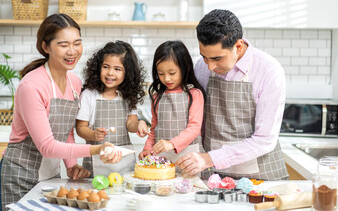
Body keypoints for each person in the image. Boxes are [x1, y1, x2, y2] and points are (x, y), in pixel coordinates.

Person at [0, 14, 122, 210]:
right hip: (19, 175)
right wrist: (96, 149)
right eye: (63, 45)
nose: (72, 51)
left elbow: (66, 132)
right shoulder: (31, 86)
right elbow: (47, 147)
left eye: (77, 43)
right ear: (46, 47)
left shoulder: (75, 83)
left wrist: (71, 166)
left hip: (50, 176)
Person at [176, 9, 289, 181]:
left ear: (238, 46)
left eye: (217, 59)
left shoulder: (269, 71)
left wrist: (210, 159)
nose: (210, 67)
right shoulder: (201, 67)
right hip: (213, 175)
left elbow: (265, 140)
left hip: (258, 177)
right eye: (205, 57)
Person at [76, 41, 148, 177]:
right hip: (96, 161)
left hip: (124, 162)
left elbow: (130, 124)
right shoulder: (89, 95)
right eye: (106, 67)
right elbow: (80, 128)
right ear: (98, 67)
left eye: (117, 69)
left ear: (127, 73)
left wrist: (139, 123)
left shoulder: (128, 96)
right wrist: (92, 135)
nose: (110, 73)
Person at [139, 41, 206, 173]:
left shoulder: (194, 94)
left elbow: (194, 128)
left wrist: (172, 144)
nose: (166, 79)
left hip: (189, 159)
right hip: (162, 161)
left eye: (172, 73)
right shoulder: (156, 96)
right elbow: (154, 129)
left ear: (185, 68)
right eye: (161, 73)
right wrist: (147, 149)